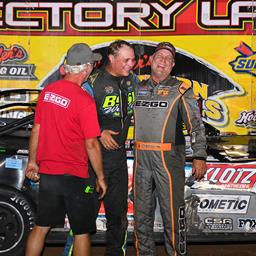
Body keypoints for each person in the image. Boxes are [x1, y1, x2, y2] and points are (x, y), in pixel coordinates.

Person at [25, 43, 107, 256]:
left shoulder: (47, 93)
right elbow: (91, 144)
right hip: (75, 175)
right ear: (87, 68)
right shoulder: (84, 100)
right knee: (81, 232)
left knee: (41, 226)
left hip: (49, 173)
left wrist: (32, 161)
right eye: (92, 65)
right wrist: (100, 177)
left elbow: (37, 129)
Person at [63, 40, 138, 256]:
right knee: (84, 218)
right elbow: (72, 118)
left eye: (133, 59)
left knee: (119, 217)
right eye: (126, 60)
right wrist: (99, 132)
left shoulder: (133, 80)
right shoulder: (91, 82)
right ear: (112, 59)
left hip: (118, 159)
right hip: (92, 160)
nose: (131, 64)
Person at [133, 42, 207, 256]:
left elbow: (196, 124)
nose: (163, 61)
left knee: (173, 215)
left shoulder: (181, 89)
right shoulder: (138, 87)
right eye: (159, 57)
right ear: (151, 60)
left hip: (169, 159)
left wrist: (199, 155)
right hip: (141, 159)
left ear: (173, 65)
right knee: (141, 216)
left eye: (168, 59)